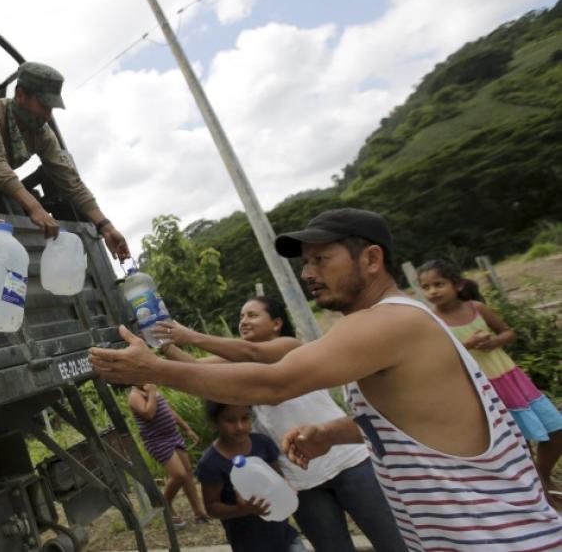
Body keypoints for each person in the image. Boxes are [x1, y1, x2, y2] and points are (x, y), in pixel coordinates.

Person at [90, 208, 562, 550]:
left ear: (371, 259)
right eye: (306, 262)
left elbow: (273, 382)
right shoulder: (395, 321)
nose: (308, 273)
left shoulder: (386, 322)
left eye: (322, 260)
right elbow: (421, 416)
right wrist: (332, 431)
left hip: (496, 538)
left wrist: (152, 370)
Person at [152, 298, 405, 552]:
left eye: (252, 315)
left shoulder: (290, 347)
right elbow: (193, 368)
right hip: (300, 478)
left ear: (276, 323)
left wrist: (190, 336)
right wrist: (161, 340)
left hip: (348, 462)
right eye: (241, 316)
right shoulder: (237, 363)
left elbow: (254, 353)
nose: (243, 321)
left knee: (393, 541)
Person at [0, 62, 130, 260]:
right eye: (43, 105)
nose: (48, 114)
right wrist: (35, 208)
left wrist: (106, 227)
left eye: (52, 107)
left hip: (1, 195)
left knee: (26, 250)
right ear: (20, 95)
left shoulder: (43, 133)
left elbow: (70, 181)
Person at [418, 259, 562, 503]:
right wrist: (468, 346)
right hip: (482, 389)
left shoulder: (476, 308)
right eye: (426, 287)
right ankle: (537, 495)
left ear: (458, 284)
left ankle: (542, 475)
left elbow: (508, 332)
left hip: (510, 378)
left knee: (556, 428)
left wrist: (494, 341)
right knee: (518, 443)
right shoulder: (433, 322)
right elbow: (439, 359)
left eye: (439, 284)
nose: (432, 291)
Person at [197, 401, 307, 552]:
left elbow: (277, 478)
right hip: (250, 544)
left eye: (245, 418)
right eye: (230, 420)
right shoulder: (211, 463)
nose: (240, 426)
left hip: (285, 536)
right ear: (215, 422)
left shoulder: (262, 443)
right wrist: (243, 510)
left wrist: (286, 487)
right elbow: (211, 507)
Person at [128, 384, 209, 527]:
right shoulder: (135, 396)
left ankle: (199, 512)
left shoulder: (150, 389)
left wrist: (187, 428)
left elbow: (168, 410)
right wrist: (152, 393)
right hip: (157, 440)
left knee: (188, 472)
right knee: (179, 475)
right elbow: (148, 413)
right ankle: (165, 504)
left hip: (173, 435)